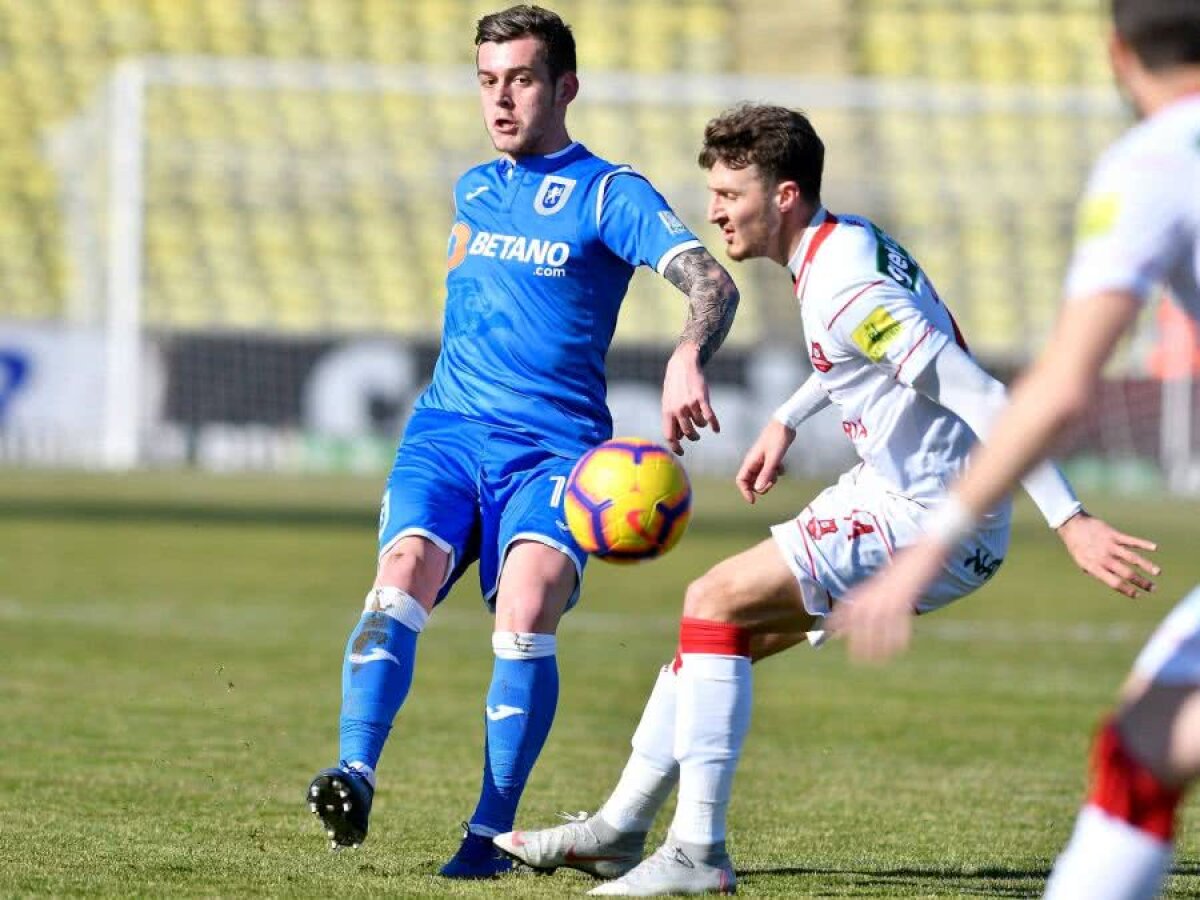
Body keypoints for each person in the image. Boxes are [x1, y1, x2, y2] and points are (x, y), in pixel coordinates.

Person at [492, 102, 1155, 896]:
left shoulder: (846, 288)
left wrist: (1071, 520)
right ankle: (617, 831)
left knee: (712, 600)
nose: (714, 213)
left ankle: (696, 851)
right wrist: (785, 417)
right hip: (898, 490)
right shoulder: (842, 244)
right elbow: (851, 355)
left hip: (931, 512)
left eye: (730, 195)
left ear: (783, 195)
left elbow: (984, 398)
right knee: (715, 641)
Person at [305, 4, 742, 879]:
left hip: (554, 452)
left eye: (522, 79)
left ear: (564, 87)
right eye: (487, 81)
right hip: (448, 432)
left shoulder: (610, 193)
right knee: (400, 579)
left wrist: (689, 352)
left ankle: (489, 833)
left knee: (530, 601)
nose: (501, 99)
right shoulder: (473, 187)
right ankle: (353, 770)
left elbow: (712, 283)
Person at [834, 1, 1199, 897]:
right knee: (1145, 745)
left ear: (1118, 54)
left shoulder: (1157, 160)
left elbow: (1062, 384)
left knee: (1142, 752)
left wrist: (927, 547)